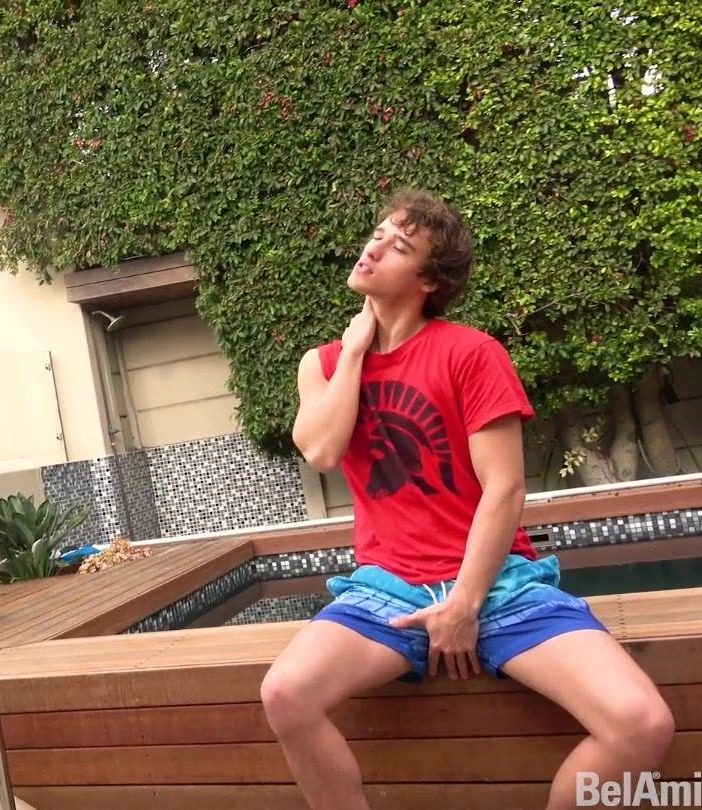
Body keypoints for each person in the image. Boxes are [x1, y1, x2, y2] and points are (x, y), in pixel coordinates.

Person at [261, 190, 675, 809]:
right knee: (284, 694)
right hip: (387, 590)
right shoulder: (322, 364)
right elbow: (321, 450)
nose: (375, 248)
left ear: (429, 280)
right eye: (378, 234)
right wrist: (354, 353)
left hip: (499, 584)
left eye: (400, 246)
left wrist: (464, 603)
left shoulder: (471, 354)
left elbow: (505, 487)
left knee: (643, 724)